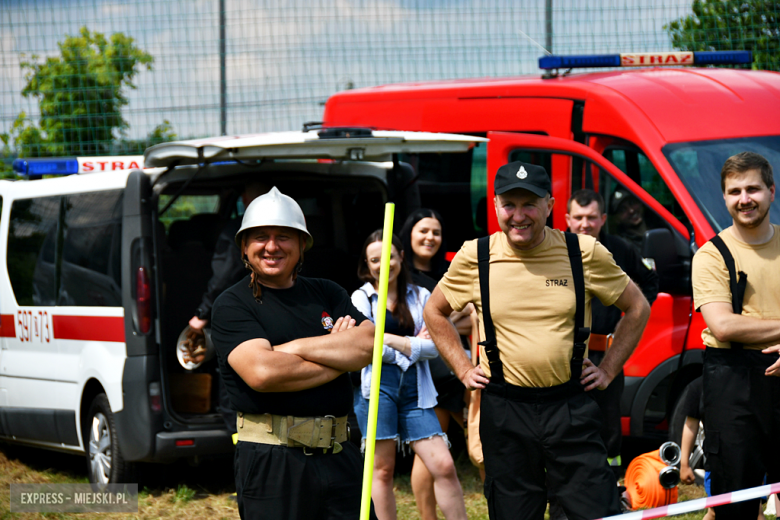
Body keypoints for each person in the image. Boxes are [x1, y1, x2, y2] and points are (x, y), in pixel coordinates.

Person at [424, 161, 651, 520]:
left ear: (550, 205)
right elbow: (434, 312)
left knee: (596, 509)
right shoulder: (476, 256)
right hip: (506, 409)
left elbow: (637, 307)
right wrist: (463, 368)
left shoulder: (583, 252)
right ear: (496, 205)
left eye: (529, 204)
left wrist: (608, 369)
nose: (519, 215)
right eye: (509, 204)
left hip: (570, 404)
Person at [210, 187, 377, 520]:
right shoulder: (231, 304)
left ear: (302, 245)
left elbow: (368, 345)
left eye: (284, 237)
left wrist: (291, 349)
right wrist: (337, 356)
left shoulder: (328, 292)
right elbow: (264, 373)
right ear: (244, 246)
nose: (272, 246)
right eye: (260, 237)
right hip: (273, 462)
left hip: (340, 456)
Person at [351, 230, 467, 520]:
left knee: (443, 465)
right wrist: (409, 344)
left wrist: (387, 339)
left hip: (417, 389)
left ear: (401, 257)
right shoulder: (360, 298)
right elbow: (364, 347)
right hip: (377, 387)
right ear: (367, 265)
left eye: (389, 256)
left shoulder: (422, 296)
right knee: (383, 470)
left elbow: (435, 346)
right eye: (375, 260)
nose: (383, 264)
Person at [692, 151, 780, 520]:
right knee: (735, 505)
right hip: (733, 386)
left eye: (753, 189)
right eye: (735, 191)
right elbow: (724, 325)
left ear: (772, 192)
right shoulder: (711, 255)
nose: (745, 198)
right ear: (725, 197)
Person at [565, 189, 659, 466]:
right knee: (565, 421)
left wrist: (629, 319)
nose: (585, 224)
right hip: (561, 353)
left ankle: (611, 483)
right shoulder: (552, 250)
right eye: (579, 217)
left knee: (608, 424)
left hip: (605, 356)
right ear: (567, 219)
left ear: (603, 218)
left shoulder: (620, 250)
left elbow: (650, 283)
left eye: (591, 217)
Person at [400, 209, 473, 520]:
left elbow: (472, 314)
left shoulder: (449, 272)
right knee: (430, 453)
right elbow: (415, 331)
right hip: (430, 374)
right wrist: (450, 320)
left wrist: (443, 322)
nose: (430, 237)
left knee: (472, 442)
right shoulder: (400, 276)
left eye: (436, 232)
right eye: (423, 231)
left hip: (457, 367)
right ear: (409, 235)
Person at [186, 182, 267, 431]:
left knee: (231, 376)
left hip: (241, 316)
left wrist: (202, 314)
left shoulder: (238, 230)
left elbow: (223, 274)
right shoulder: (290, 234)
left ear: (244, 197)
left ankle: (238, 441)